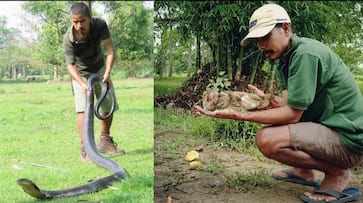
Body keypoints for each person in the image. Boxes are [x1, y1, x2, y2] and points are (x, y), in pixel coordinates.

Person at [195, 3, 363, 202]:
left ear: (285, 28)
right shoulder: (285, 59)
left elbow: (293, 114)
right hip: (331, 130)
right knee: (277, 124)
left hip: (349, 140)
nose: (261, 46)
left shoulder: (305, 55)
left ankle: (337, 173)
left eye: (265, 37)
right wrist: (259, 101)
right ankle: (303, 171)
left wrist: (242, 115)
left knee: (267, 139)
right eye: (257, 41)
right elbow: (288, 102)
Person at [63, 2, 125, 162]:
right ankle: (86, 148)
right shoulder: (69, 38)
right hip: (80, 73)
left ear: (89, 18)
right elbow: (70, 65)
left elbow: (110, 49)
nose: (78, 25)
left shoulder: (100, 25)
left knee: (107, 106)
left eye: (82, 21)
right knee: (83, 109)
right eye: (75, 22)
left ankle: (105, 141)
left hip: (99, 68)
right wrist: (83, 84)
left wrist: (107, 72)